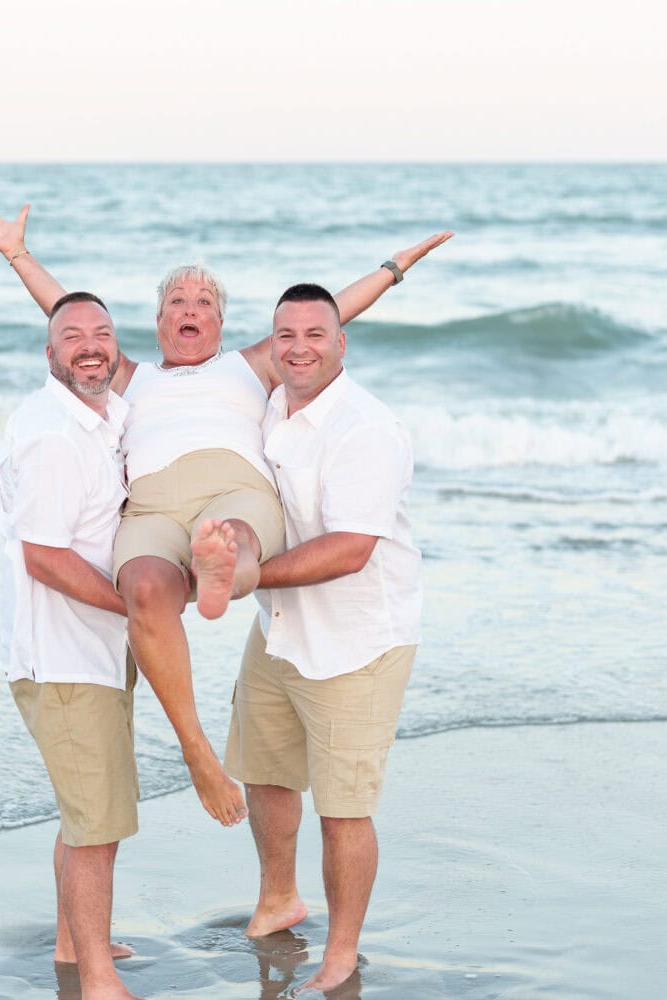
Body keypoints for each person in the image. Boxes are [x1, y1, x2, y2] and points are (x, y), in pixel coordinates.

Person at [0, 201, 448, 829]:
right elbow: (71, 323)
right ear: (158, 321)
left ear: (222, 323)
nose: (190, 309)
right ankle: (196, 748)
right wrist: (16, 254)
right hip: (154, 507)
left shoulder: (249, 367)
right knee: (141, 585)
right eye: (177, 302)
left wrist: (393, 268)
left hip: (233, 489)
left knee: (235, 535)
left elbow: (326, 316)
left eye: (204, 303)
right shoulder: (128, 377)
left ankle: (224, 569)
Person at [216, 283, 423, 994]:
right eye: (286, 335)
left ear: (342, 343)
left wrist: (250, 576)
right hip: (279, 627)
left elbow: (350, 549)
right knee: (266, 771)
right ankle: (279, 897)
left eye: (315, 334)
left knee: (343, 810)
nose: (299, 347)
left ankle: (341, 951)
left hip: (356, 641)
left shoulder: (363, 428)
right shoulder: (274, 403)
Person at [0, 291, 142, 1000]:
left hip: (97, 651)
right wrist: (138, 612)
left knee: (86, 811)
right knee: (96, 823)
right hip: (65, 656)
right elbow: (45, 556)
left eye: (102, 334)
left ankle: (73, 941)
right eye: (72, 336)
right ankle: (98, 976)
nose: (90, 346)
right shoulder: (53, 435)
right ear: (49, 354)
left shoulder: (105, 416)